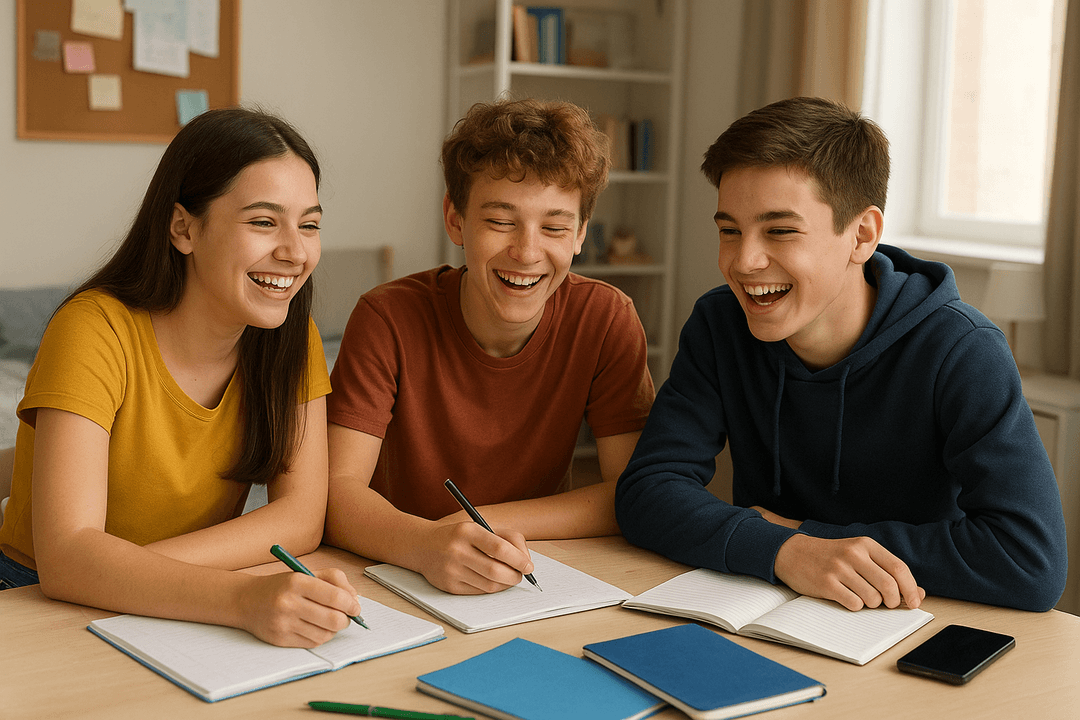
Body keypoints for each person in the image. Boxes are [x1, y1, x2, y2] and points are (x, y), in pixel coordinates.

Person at [615, 96, 1068, 613]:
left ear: (861, 235)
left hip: (906, 619)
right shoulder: (721, 325)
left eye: (780, 230)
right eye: (729, 230)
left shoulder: (961, 350)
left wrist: (808, 538)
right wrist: (786, 550)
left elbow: (1029, 562)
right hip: (761, 606)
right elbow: (647, 490)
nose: (744, 261)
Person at [0, 107, 363, 647]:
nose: (295, 252)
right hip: (36, 598)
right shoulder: (92, 330)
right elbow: (67, 557)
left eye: (309, 224)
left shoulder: (291, 335)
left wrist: (122, 573)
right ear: (183, 228)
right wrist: (240, 598)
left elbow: (301, 517)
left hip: (181, 592)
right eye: (264, 221)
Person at [325, 98, 654, 595]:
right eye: (501, 221)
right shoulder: (386, 317)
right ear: (455, 220)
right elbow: (337, 494)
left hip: (531, 569)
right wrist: (425, 543)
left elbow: (634, 494)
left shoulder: (606, 319)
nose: (526, 251)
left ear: (582, 233)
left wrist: (471, 523)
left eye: (555, 226)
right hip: (401, 567)